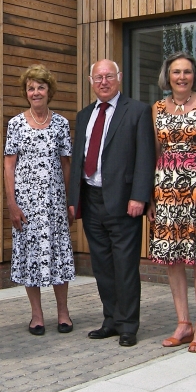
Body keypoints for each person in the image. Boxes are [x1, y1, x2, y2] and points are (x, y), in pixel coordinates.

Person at [68, 59, 156, 347]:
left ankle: (129, 324)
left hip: (123, 202)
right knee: (102, 265)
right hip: (92, 200)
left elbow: (145, 157)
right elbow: (78, 159)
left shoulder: (138, 111)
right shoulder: (84, 116)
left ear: (119, 78)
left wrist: (140, 196)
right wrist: (74, 199)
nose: (103, 82)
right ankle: (111, 319)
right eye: (98, 77)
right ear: (91, 82)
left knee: (125, 266)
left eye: (108, 76)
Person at [146, 52, 196, 353]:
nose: (181, 77)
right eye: (176, 72)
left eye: (187, 72)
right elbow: (154, 153)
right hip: (165, 191)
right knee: (173, 259)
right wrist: (151, 196)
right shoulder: (157, 108)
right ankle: (183, 323)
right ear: (167, 76)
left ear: (195, 75)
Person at [4, 64, 76, 335]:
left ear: (49, 91)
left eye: (40, 87)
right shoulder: (15, 124)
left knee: (59, 255)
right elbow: (8, 165)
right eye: (31, 88)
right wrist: (11, 203)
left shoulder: (60, 123)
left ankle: (63, 313)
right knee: (29, 257)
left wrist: (69, 201)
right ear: (26, 92)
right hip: (26, 205)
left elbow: (66, 164)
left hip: (55, 203)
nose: (35, 92)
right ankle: (36, 315)